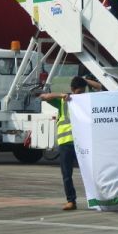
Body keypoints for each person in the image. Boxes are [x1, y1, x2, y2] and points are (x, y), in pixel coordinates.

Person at [39, 76, 88, 210]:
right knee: (67, 175)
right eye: (79, 92)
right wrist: (62, 95)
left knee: (90, 173)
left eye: (83, 92)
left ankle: (98, 198)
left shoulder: (86, 100)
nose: (81, 95)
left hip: (82, 143)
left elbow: (99, 87)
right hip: (65, 144)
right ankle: (71, 201)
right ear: (72, 90)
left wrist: (85, 80)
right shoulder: (62, 101)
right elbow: (43, 96)